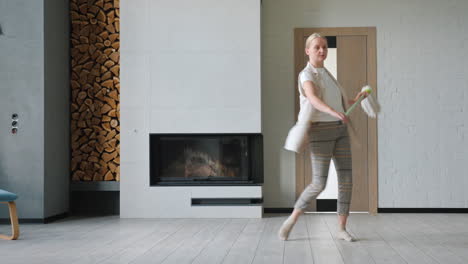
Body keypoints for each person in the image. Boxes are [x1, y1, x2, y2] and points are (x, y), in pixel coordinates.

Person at [279, 33, 367, 242]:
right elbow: (313, 99)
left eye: (325, 47)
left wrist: (359, 98)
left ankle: (342, 229)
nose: (322, 51)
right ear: (307, 50)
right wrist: (334, 112)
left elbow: (342, 102)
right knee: (319, 183)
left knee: (346, 180)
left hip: (340, 130)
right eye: (317, 47)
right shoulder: (306, 75)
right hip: (319, 132)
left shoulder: (328, 74)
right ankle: (291, 219)